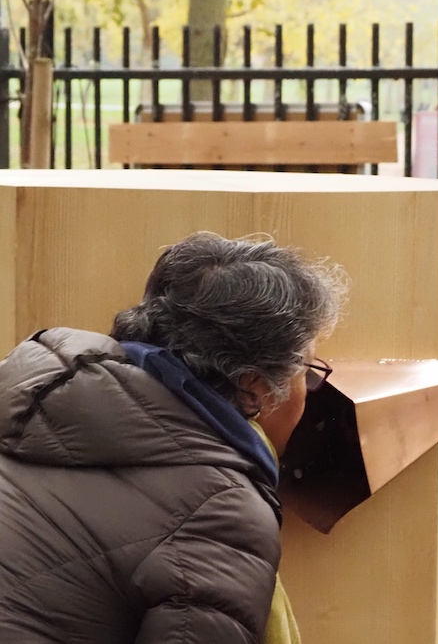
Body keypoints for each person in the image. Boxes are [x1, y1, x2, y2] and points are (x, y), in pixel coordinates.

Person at [0, 231, 347, 643]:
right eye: (306, 372)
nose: (307, 390)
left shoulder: (28, 399)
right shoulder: (220, 512)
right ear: (255, 385)